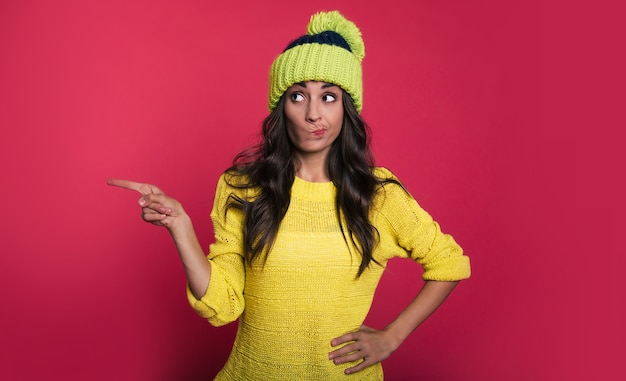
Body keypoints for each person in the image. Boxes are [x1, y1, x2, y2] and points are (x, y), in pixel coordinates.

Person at [108, 10, 470, 380]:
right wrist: (180, 227)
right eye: (298, 96)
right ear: (281, 107)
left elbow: (450, 264)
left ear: (347, 108)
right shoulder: (243, 187)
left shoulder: (378, 195)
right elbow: (222, 306)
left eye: (328, 97)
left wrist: (392, 337)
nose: (314, 114)